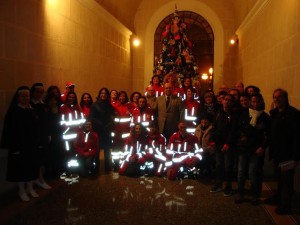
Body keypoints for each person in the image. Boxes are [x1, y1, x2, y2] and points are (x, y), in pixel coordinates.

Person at [264, 88, 300, 215]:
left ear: (286, 98)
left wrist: (295, 156)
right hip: (277, 153)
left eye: (279, 97)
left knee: (287, 181)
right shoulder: (275, 114)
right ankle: (279, 198)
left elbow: (297, 136)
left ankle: (286, 205)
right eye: (274, 97)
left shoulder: (294, 114)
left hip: (288, 153)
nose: (276, 99)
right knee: (279, 178)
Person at [1, 86, 40, 201]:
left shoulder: (32, 110)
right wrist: (14, 147)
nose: (25, 98)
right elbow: (10, 130)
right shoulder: (14, 111)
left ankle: (30, 188)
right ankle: (21, 190)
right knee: (20, 169)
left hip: (31, 145)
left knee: (31, 167)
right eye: (23, 96)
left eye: (27, 96)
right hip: (19, 146)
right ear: (18, 97)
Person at [235, 93, 270, 205]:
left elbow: (268, 135)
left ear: (261, 102)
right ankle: (240, 193)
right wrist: (242, 135)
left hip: (256, 149)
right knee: (241, 172)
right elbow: (238, 127)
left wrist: (263, 147)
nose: (255, 104)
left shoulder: (265, 117)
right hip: (244, 148)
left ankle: (255, 195)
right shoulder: (244, 114)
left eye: (257, 101)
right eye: (253, 101)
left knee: (252, 172)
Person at [209, 94, 239, 197]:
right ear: (222, 101)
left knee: (228, 166)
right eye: (225, 99)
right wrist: (212, 139)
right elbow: (214, 127)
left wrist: (228, 143)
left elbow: (233, 130)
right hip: (218, 143)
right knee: (219, 165)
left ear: (232, 103)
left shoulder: (234, 115)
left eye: (229, 100)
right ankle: (218, 183)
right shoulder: (218, 113)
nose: (226, 101)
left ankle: (228, 186)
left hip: (228, 144)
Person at [30, 83, 52, 189]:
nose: (39, 94)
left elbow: (46, 121)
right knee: (36, 159)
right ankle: (38, 179)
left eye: (41, 92)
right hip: (35, 136)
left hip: (43, 135)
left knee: (43, 157)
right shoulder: (30, 105)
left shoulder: (43, 105)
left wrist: (48, 134)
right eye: (37, 91)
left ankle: (40, 178)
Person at [89, 88, 115, 174]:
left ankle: (107, 167)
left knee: (107, 150)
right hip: (97, 130)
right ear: (99, 94)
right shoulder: (94, 105)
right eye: (102, 93)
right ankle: (96, 168)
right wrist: (101, 124)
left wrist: (108, 125)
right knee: (97, 150)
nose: (103, 94)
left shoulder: (110, 106)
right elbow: (92, 117)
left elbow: (112, 117)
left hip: (107, 130)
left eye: (105, 93)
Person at [111, 91, 131, 171]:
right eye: (120, 96)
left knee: (125, 148)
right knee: (116, 150)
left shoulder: (130, 106)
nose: (122, 98)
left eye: (123, 96)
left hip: (126, 132)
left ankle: (124, 163)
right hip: (116, 132)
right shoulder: (114, 106)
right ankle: (116, 163)